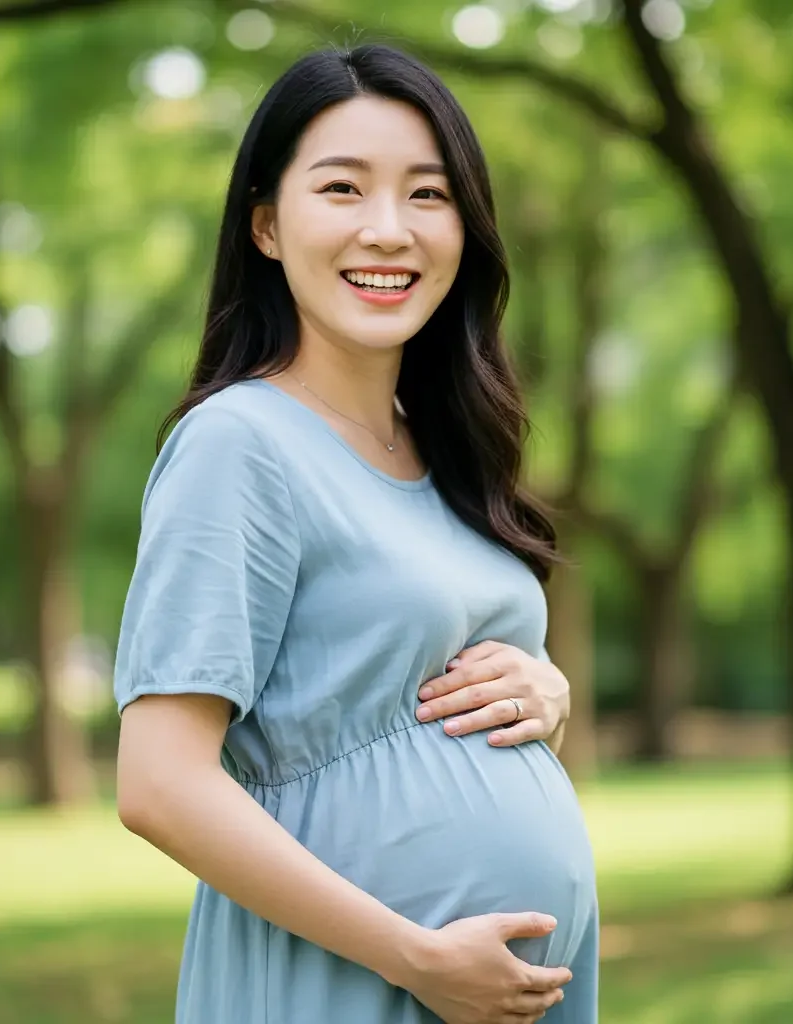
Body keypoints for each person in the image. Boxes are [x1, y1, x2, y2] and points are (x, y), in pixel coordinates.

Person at [113, 44, 599, 1024]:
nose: (388, 231)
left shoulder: (448, 451)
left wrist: (547, 692)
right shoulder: (238, 444)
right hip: (351, 980)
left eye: (428, 195)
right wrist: (416, 956)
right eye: (342, 188)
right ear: (264, 223)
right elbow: (158, 783)